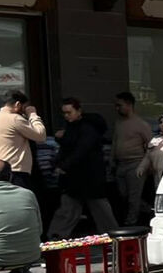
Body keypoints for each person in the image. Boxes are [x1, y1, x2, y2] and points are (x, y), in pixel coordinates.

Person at [48, 98, 118, 238]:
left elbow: (81, 150)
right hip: (78, 176)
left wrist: (63, 165)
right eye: (64, 113)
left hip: (87, 175)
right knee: (71, 209)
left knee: (97, 209)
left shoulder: (87, 129)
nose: (66, 116)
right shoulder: (75, 127)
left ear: (79, 111)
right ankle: (55, 237)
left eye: (69, 112)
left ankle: (113, 236)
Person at [0, 90, 47, 189]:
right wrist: (32, 114)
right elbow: (41, 135)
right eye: (24, 108)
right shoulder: (15, 119)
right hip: (16, 172)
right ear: (17, 104)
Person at [111, 92, 150, 226]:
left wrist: (145, 164)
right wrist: (112, 160)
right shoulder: (118, 123)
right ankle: (149, 210)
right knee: (124, 195)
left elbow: (150, 146)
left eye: (119, 105)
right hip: (120, 164)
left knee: (133, 197)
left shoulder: (141, 124)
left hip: (135, 163)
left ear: (129, 105)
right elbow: (115, 141)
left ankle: (131, 223)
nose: (117, 108)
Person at [137, 112, 163, 192]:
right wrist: (142, 167)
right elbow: (148, 156)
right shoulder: (155, 139)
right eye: (161, 122)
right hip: (157, 175)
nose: (162, 124)